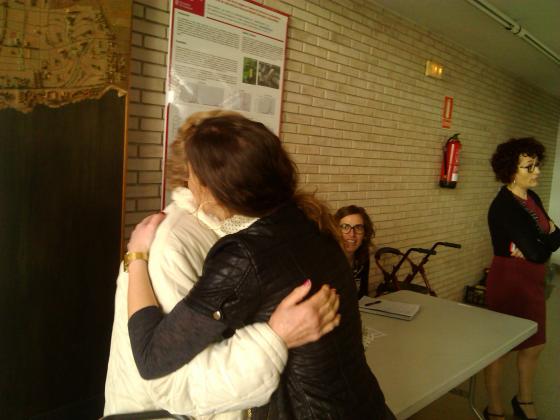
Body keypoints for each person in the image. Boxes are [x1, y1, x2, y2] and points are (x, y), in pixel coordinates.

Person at [126, 112, 395, 419]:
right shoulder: (313, 222)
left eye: (192, 174)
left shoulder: (244, 254)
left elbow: (151, 357)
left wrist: (136, 256)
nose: (189, 182)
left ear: (214, 188)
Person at [484, 137, 560, 420]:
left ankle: (523, 400)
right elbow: (539, 252)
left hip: (533, 282)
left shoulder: (532, 197)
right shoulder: (503, 206)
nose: (537, 171)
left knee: (535, 344)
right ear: (510, 171)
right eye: (529, 167)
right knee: (500, 349)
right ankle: (495, 408)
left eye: (537, 164)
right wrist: (544, 239)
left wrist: (540, 242)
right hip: (510, 281)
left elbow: (552, 240)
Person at [334, 205, 375, 298]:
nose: (352, 234)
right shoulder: (327, 260)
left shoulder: (363, 256)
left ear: (365, 233)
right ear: (335, 230)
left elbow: (363, 294)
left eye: (358, 227)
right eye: (345, 227)